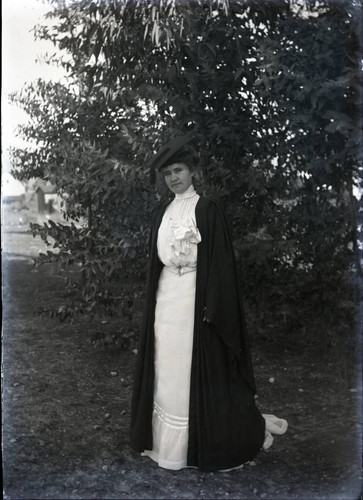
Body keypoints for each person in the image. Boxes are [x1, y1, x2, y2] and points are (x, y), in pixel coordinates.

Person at [130, 135, 287, 472]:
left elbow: (220, 264)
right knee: (166, 366)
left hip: (196, 297)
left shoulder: (207, 208)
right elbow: (156, 260)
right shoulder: (162, 210)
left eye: (179, 170)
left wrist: (211, 306)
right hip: (166, 297)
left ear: (192, 171)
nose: (173, 178)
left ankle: (201, 442)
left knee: (192, 364)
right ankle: (165, 443)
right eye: (168, 173)